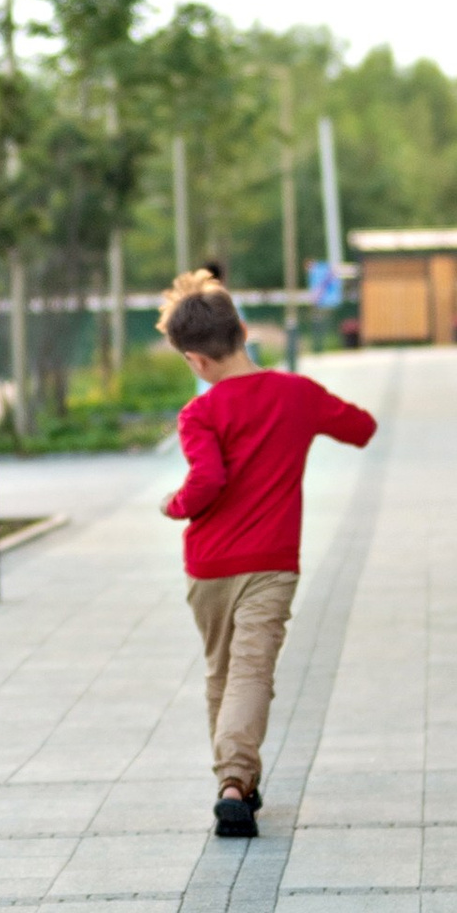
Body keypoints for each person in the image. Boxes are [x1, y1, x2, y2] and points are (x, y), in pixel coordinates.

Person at [159, 269, 378, 837]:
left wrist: (176, 505)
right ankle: (236, 782)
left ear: (196, 361)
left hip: (208, 566)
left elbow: (207, 480)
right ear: (244, 331)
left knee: (222, 673)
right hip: (272, 564)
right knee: (251, 671)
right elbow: (362, 427)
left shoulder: (200, 413)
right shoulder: (297, 394)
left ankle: (234, 783)